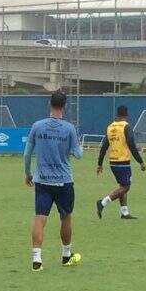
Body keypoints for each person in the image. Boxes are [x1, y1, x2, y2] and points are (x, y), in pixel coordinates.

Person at [24, 91, 83, 271]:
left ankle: (37, 259)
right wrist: (77, 146)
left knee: (40, 218)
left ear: (49, 104)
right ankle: (66, 256)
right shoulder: (69, 128)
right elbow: (78, 155)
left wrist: (28, 173)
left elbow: (27, 153)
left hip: (42, 180)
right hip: (64, 180)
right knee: (65, 217)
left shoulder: (37, 126)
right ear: (64, 106)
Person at [96, 105, 146, 220]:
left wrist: (99, 164)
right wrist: (140, 162)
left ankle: (124, 212)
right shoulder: (126, 126)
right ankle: (102, 202)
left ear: (117, 114)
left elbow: (104, 147)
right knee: (126, 187)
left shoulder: (110, 127)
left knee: (122, 186)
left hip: (112, 162)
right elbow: (131, 145)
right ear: (126, 114)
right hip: (123, 161)